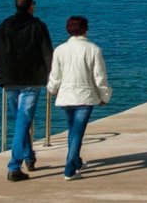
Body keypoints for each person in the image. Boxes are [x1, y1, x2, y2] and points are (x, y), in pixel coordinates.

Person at [0, 0, 53, 182]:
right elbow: (48, 54)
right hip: (31, 81)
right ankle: (14, 166)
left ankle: (29, 157)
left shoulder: (4, 26)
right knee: (23, 120)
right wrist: (53, 79)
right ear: (30, 6)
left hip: (10, 80)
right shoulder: (38, 26)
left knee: (22, 120)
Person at [46, 16, 112, 181]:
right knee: (77, 133)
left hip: (66, 97)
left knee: (73, 131)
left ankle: (77, 162)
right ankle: (69, 170)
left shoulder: (60, 50)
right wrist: (104, 96)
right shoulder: (93, 49)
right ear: (85, 29)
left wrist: (52, 90)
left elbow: (55, 75)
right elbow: (100, 77)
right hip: (84, 97)